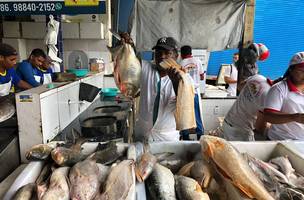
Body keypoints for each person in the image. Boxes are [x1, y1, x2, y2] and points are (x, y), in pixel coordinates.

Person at [123, 35, 182, 142]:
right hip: (142, 132)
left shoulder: (183, 78)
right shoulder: (147, 68)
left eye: (167, 53)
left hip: (166, 137)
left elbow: (184, 105)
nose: (162, 56)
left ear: (176, 56)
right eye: (158, 53)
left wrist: (175, 82)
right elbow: (133, 59)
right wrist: (129, 45)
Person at [264, 52, 304, 140]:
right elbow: (268, 116)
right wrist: (295, 117)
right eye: (301, 70)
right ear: (291, 70)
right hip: (282, 141)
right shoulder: (279, 89)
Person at [223, 73, 271, 141]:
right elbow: (259, 127)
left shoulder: (258, 77)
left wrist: (251, 98)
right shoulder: (268, 96)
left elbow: (240, 86)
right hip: (242, 132)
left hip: (228, 122)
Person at [179, 45, 204, 140]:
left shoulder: (181, 63)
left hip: (185, 92)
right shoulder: (198, 61)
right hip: (195, 91)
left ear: (181, 54)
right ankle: (200, 136)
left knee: (185, 114)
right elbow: (202, 77)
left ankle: (185, 137)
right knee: (197, 114)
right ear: (191, 52)